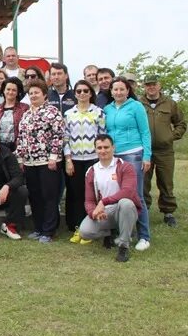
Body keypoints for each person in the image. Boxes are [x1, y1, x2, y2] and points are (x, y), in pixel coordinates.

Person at [104, 77, 152, 251]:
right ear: (111, 91)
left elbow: (145, 132)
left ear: (128, 90)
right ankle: (125, 233)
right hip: (115, 156)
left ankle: (144, 236)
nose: (118, 92)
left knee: (136, 195)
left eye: (121, 89)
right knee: (119, 196)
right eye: (115, 89)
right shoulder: (107, 109)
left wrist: (147, 155)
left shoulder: (136, 106)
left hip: (133, 153)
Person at [79, 135, 144, 263]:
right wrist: (94, 213)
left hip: (124, 210)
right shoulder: (91, 171)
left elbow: (128, 191)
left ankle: (123, 246)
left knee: (125, 203)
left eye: (106, 147)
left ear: (113, 148)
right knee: (84, 232)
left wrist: (103, 201)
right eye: (99, 148)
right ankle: (110, 233)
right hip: (106, 212)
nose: (103, 151)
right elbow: (89, 200)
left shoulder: (126, 166)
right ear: (95, 150)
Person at [16, 79, 65, 243]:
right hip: (30, 163)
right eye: (31, 93)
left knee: (49, 196)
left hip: (48, 162)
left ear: (45, 95)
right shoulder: (26, 114)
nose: (33, 95)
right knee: (35, 196)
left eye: (37, 92)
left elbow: (59, 136)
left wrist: (53, 157)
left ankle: (49, 231)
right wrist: (21, 158)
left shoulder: (53, 112)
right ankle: (38, 228)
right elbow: (22, 138)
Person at [63, 80, 106, 242]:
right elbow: (65, 139)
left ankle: (92, 228)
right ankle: (77, 228)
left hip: (93, 159)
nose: (82, 94)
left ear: (90, 93)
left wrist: (101, 159)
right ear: (74, 94)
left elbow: (103, 137)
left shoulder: (99, 112)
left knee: (92, 194)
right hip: (74, 160)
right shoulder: (68, 114)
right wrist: (68, 159)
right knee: (75, 194)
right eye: (79, 91)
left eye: (85, 91)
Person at [141, 75, 185, 227]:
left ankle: (168, 212)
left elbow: (181, 123)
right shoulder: (138, 103)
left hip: (165, 151)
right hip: (145, 150)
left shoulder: (170, 104)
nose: (151, 87)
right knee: (144, 182)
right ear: (144, 87)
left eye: (154, 84)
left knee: (166, 182)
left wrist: (171, 136)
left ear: (159, 86)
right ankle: (144, 210)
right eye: (148, 85)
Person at [0, 77, 28, 151]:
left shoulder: (24, 108)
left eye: (14, 90)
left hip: (17, 146)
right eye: (8, 89)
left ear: (18, 92)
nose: (10, 92)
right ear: (3, 90)